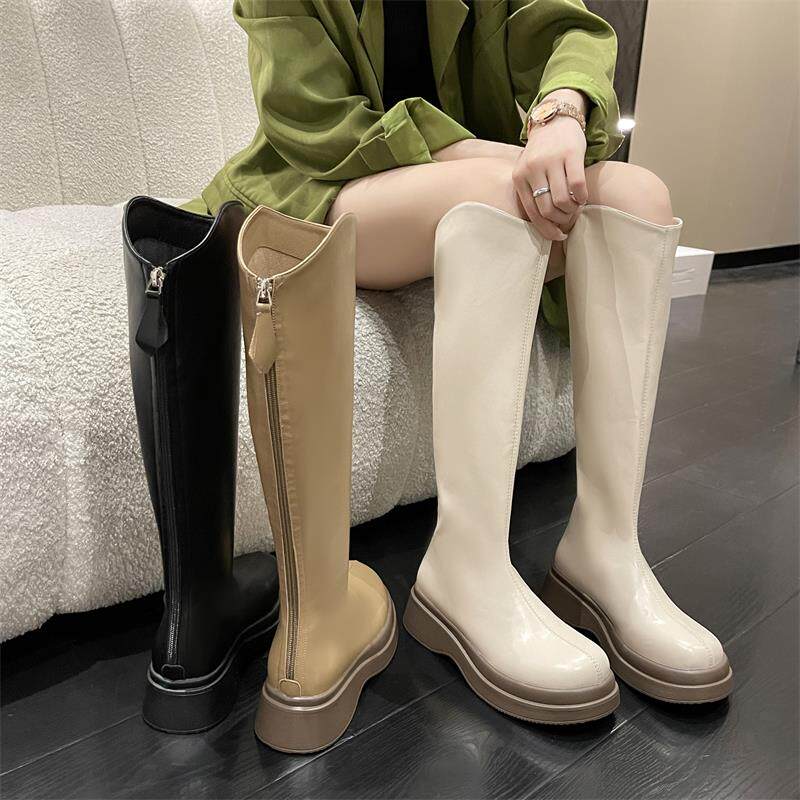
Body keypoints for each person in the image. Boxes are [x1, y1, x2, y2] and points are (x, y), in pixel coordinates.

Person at [191, 0, 733, 723]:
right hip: (326, 177)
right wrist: (490, 153)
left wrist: (563, 114)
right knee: (501, 196)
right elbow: (313, 120)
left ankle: (605, 550)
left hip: (471, 175)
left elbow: (570, 27)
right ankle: (465, 568)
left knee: (640, 196)